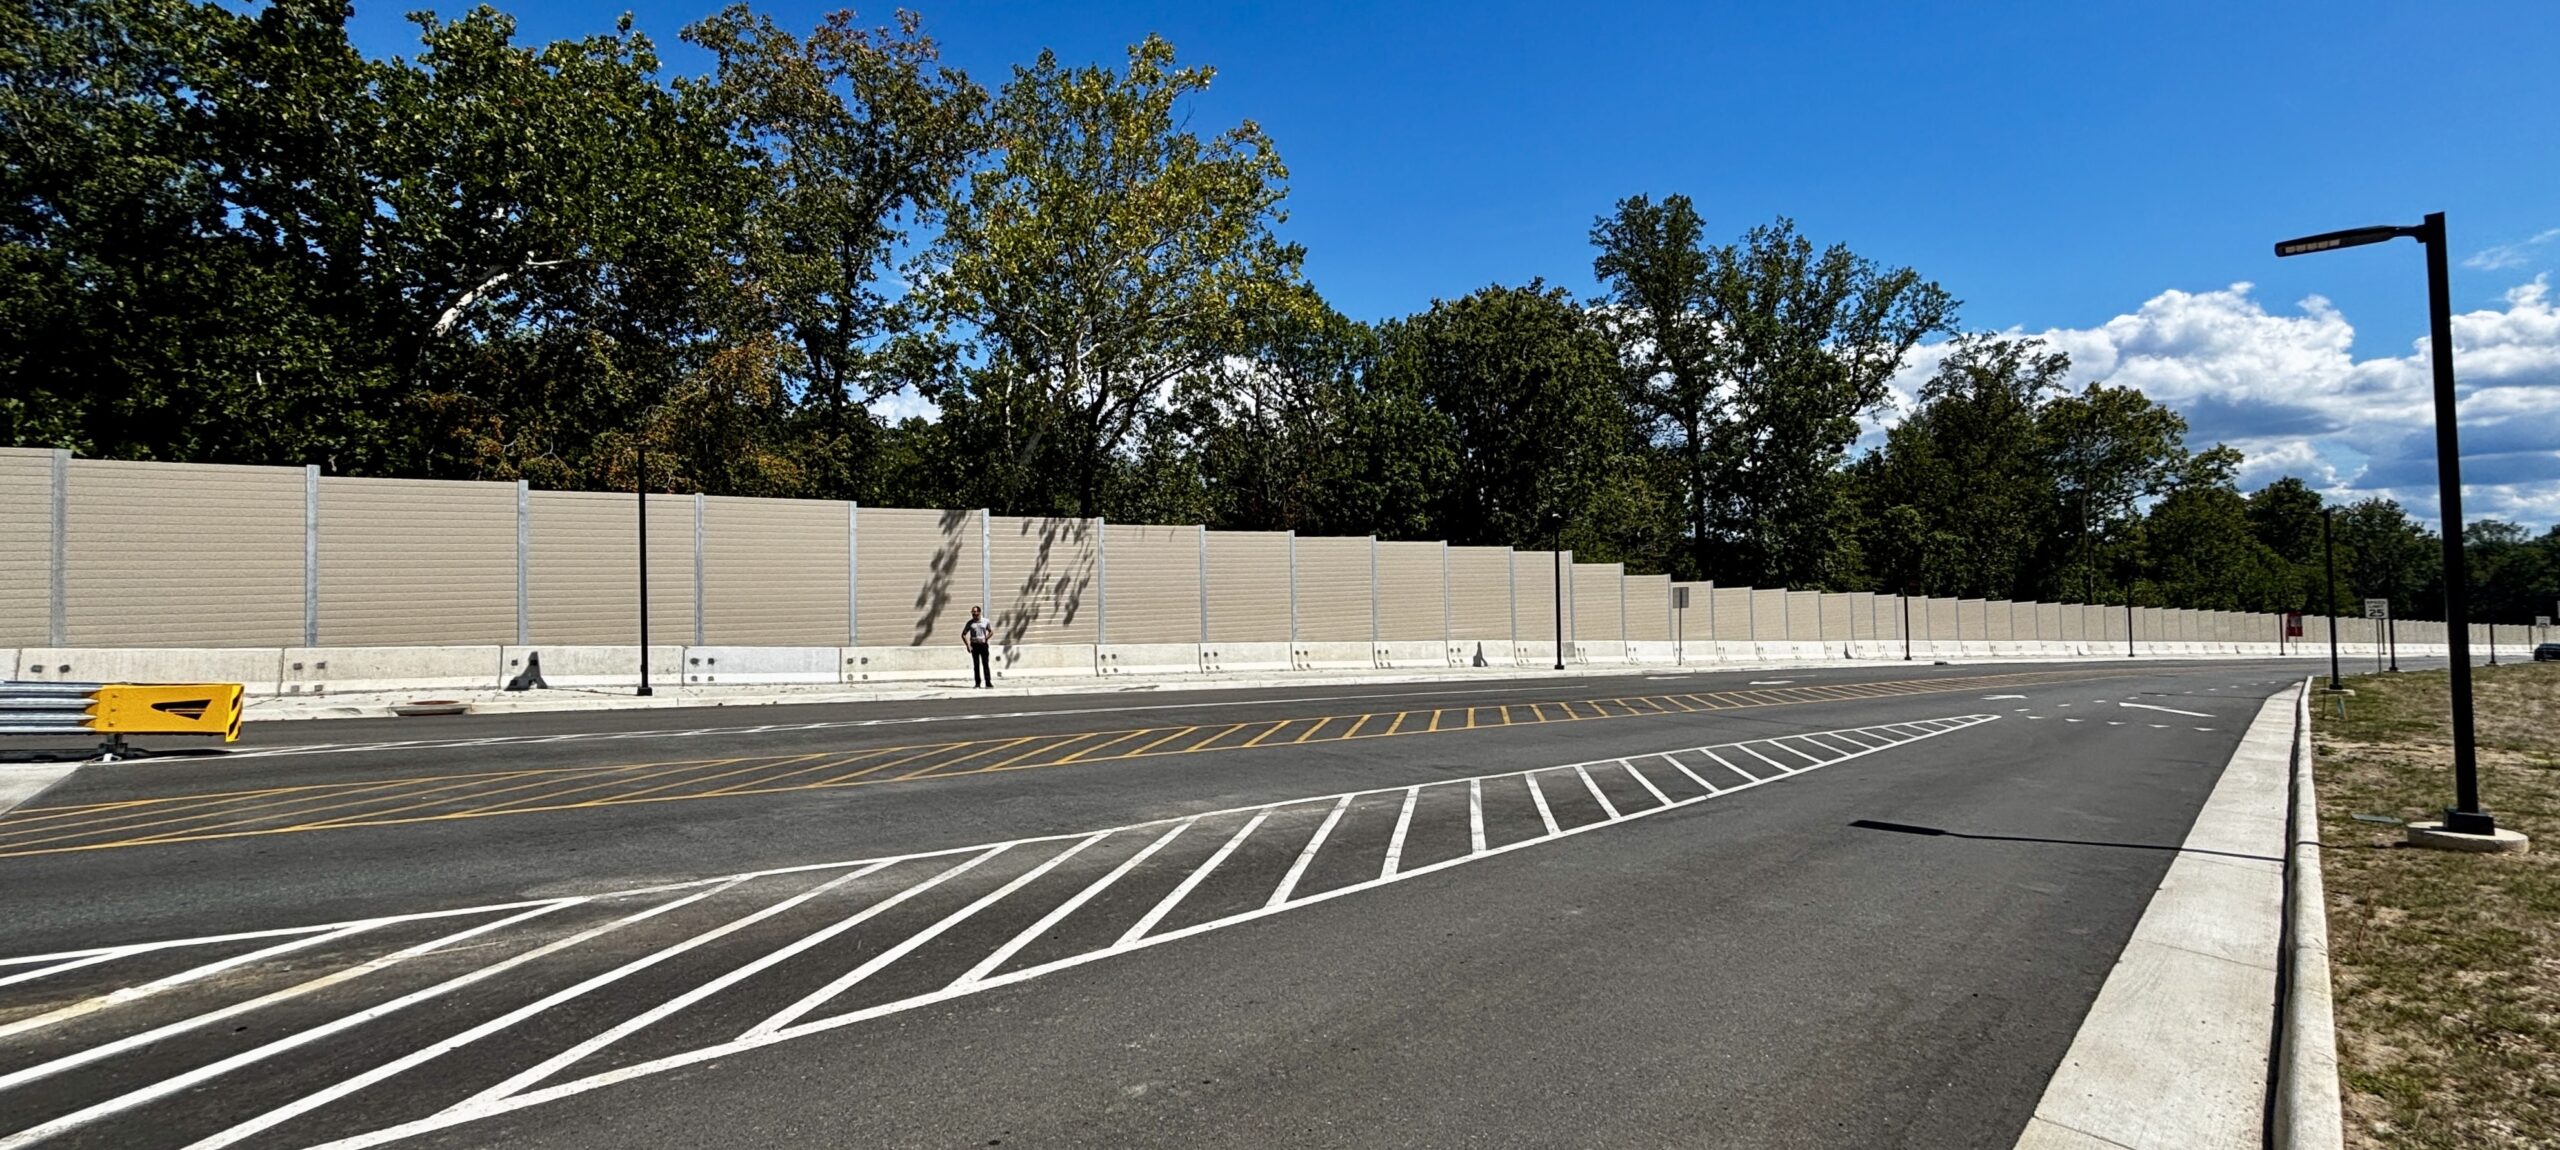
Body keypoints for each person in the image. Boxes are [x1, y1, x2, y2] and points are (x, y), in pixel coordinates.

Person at [961, 606, 994, 688]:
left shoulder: (985, 621)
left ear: (979, 612)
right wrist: (968, 645)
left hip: (983, 645)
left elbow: (991, 632)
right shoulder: (970, 623)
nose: (974, 614)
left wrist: (986, 638)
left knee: (985, 664)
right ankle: (977, 683)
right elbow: (963, 634)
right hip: (974, 645)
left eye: (976, 612)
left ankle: (988, 682)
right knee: (976, 665)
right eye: (973, 612)